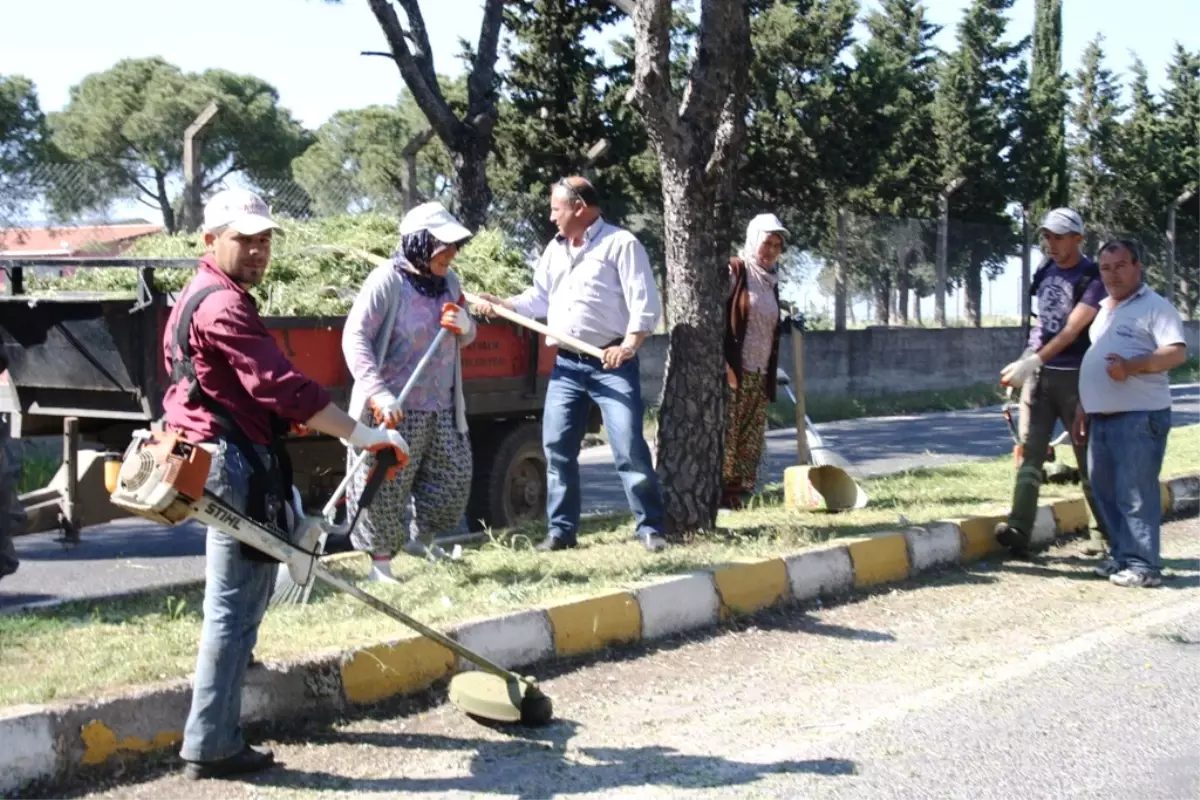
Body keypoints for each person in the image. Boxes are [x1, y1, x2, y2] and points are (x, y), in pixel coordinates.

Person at [161, 188, 409, 780]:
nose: (257, 250)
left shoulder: (195, 295)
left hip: (219, 453)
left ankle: (226, 707)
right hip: (233, 463)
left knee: (238, 603)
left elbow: (226, 385)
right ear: (210, 240)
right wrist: (361, 435)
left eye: (265, 239)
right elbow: (280, 386)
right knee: (232, 608)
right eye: (244, 239)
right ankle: (211, 744)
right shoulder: (222, 305)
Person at [473, 177, 667, 553]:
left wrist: (627, 346)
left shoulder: (620, 244)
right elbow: (538, 299)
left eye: (556, 209)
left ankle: (650, 527)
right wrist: (503, 304)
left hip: (611, 363)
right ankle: (561, 532)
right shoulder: (555, 250)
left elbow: (645, 304)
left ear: (579, 208)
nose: (551, 217)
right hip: (566, 367)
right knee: (557, 448)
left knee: (627, 445)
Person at [341, 201, 477, 582]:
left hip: (442, 406)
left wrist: (465, 325)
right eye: (442, 246)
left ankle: (423, 542)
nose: (451, 254)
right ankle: (380, 566)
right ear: (418, 243)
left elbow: (467, 337)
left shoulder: (450, 282)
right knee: (383, 488)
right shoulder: (387, 281)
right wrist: (377, 392)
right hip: (393, 408)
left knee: (451, 479)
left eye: (454, 247)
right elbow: (355, 337)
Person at [994, 207, 1109, 555]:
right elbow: (1041, 325)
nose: (1051, 243)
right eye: (1047, 236)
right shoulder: (1044, 271)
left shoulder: (1093, 277)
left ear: (1078, 238)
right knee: (1030, 454)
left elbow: (1074, 328)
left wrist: (1032, 362)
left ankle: (1102, 535)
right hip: (1040, 377)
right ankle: (1019, 529)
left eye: (1059, 236)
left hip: (1078, 377)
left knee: (1087, 456)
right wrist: (1026, 361)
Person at [1073, 239, 1186, 588]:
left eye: (1120, 266)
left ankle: (1144, 566)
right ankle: (1122, 556)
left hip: (1140, 416)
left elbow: (1175, 354)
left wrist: (1132, 367)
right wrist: (1083, 404)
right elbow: (1097, 357)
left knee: (1135, 493)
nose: (1112, 274)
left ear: (1137, 267)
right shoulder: (1105, 309)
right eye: (1106, 268)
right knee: (1106, 491)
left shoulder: (1155, 306)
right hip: (1102, 416)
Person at [722, 213, 787, 509]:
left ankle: (737, 492)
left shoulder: (771, 281)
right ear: (752, 240)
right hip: (734, 369)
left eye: (777, 244)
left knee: (750, 437)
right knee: (729, 433)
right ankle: (719, 492)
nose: (771, 249)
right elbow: (720, 318)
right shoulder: (736, 271)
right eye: (766, 242)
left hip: (760, 372)